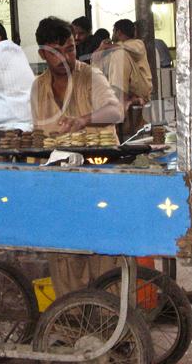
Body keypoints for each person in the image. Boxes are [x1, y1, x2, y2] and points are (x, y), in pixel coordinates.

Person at [31, 18, 122, 295]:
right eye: (57, 52)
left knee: (104, 253)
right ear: (43, 54)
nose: (65, 58)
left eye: (70, 49)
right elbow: (40, 135)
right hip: (60, 184)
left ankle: (114, 325)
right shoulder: (38, 87)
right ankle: (72, 323)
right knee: (65, 253)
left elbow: (115, 112)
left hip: (99, 179)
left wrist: (84, 120)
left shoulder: (90, 75)